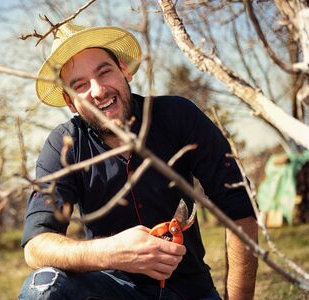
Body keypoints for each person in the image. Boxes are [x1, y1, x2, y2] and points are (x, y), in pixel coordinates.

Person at [18, 23, 258, 300]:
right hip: (111, 290)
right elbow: (36, 245)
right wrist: (114, 253)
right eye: (80, 85)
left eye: (104, 72)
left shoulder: (177, 115)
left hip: (189, 291)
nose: (97, 91)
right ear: (70, 102)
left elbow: (239, 208)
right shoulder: (64, 145)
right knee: (43, 285)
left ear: (124, 70)